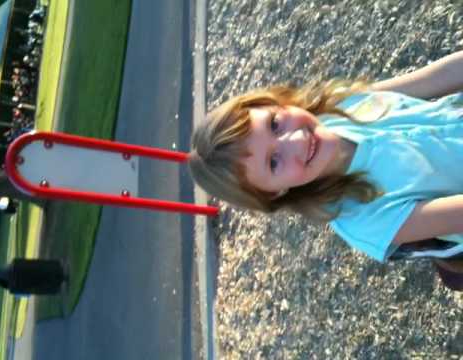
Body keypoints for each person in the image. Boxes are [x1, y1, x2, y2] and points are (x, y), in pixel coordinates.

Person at [189, 50, 463, 264]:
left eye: (274, 124)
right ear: (273, 193)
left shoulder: (338, 106)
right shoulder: (365, 217)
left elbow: (434, 78)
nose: (296, 140)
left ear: (273, 103)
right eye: (273, 162)